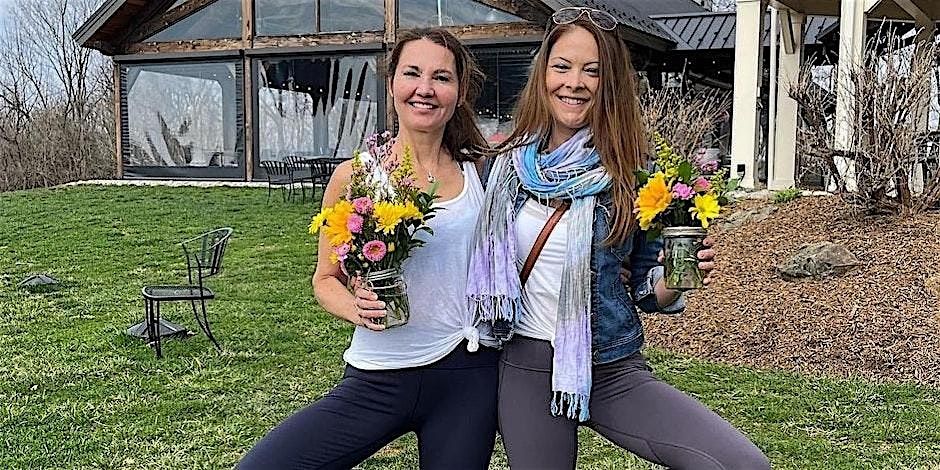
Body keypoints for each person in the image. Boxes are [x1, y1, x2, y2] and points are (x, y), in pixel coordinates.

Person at [466, 7, 771, 470]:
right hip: (526, 362)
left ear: (609, 83)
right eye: (562, 66)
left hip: (608, 361)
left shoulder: (633, 173)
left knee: (741, 464)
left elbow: (648, 289)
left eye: (592, 71)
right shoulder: (503, 166)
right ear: (543, 73)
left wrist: (674, 278)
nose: (574, 82)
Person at [239, 28, 499, 470]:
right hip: (378, 374)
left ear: (459, 93)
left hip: (466, 375)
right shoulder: (354, 177)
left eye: (441, 77)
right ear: (392, 83)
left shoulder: (482, 171)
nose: (425, 88)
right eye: (412, 73)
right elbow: (325, 279)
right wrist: (356, 308)